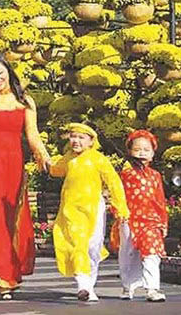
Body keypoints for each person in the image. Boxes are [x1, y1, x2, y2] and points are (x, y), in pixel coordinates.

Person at [0, 51, 52, 300]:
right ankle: (2, 278)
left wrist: (45, 157)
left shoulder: (25, 102)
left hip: (14, 168)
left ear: (9, 72)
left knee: (12, 219)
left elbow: (33, 136)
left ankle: (12, 273)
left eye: (0, 73)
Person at [49, 123, 129, 302]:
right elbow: (56, 171)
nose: (75, 141)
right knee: (78, 245)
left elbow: (114, 183)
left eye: (81, 137)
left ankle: (89, 285)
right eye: (73, 137)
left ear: (91, 141)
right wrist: (42, 157)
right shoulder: (68, 158)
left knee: (93, 246)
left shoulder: (99, 159)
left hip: (93, 209)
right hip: (71, 210)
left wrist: (120, 206)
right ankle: (83, 285)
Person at [115, 129, 168, 302]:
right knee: (128, 253)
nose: (142, 153)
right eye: (137, 149)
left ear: (153, 154)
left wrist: (163, 222)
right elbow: (117, 195)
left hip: (151, 221)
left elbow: (160, 200)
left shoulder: (155, 176)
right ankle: (127, 286)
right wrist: (118, 212)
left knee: (152, 252)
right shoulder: (125, 175)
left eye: (146, 150)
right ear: (130, 152)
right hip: (129, 219)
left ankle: (152, 288)